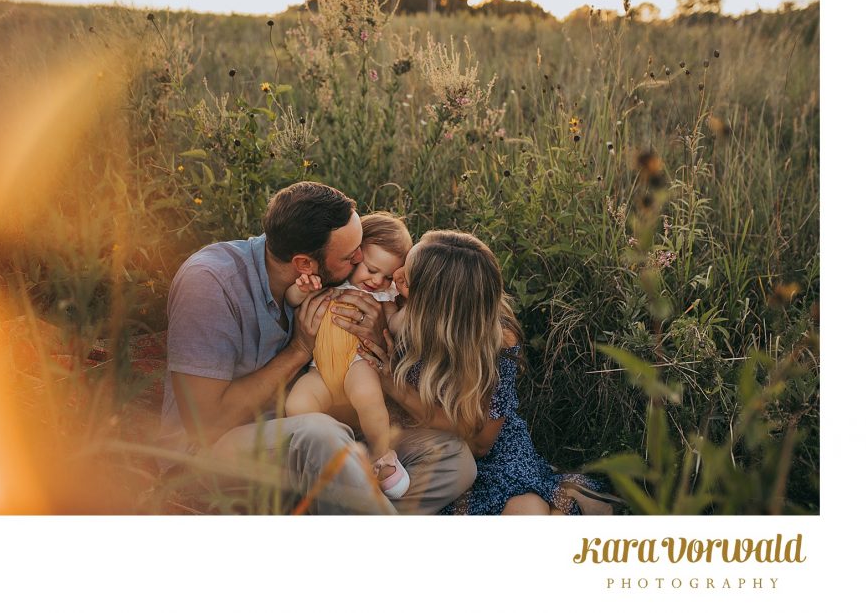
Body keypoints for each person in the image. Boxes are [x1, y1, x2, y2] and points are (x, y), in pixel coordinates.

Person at [158, 182, 476, 514]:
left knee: (453, 458)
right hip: (213, 453)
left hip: (310, 439)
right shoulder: (211, 283)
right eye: (351, 255)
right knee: (319, 434)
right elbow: (205, 422)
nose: (359, 259)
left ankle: (335, 507)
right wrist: (298, 349)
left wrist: (375, 336)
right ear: (305, 264)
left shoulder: (332, 275)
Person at [359, 230, 617, 515]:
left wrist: (397, 389)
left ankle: (566, 495)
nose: (396, 277)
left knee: (529, 511)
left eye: (408, 277)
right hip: (428, 447)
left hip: (491, 450)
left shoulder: (497, 339)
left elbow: (481, 443)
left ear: (438, 303)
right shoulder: (393, 305)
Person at [284, 212, 412, 499]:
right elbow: (291, 300)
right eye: (371, 268)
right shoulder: (330, 281)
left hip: (358, 362)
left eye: (388, 275)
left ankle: (383, 457)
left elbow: (395, 325)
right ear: (355, 255)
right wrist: (301, 289)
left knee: (368, 398)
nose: (377, 280)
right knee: (297, 404)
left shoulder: (383, 296)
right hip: (320, 369)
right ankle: (333, 453)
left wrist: (405, 305)